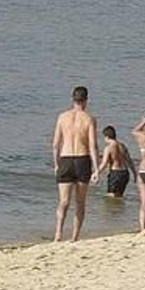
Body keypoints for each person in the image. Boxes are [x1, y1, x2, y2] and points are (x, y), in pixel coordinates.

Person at [52, 85, 99, 242]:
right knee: (80, 202)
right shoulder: (89, 119)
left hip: (65, 159)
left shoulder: (62, 117)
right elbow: (93, 145)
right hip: (82, 158)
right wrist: (97, 168)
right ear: (86, 100)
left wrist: (56, 164)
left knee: (63, 201)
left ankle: (58, 233)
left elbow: (55, 144)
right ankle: (74, 236)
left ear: (73, 99)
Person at [97, 125, 131, 199]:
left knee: (110, 197)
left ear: (106, 137)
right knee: (119, 197)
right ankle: (118, 210)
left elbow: (104, 163)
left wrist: (96, 173)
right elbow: (129, 160)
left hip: (115, 173)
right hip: (125, 173)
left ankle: (112, 210)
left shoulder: (108, 148)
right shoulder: (122, 146)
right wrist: (134, 173)